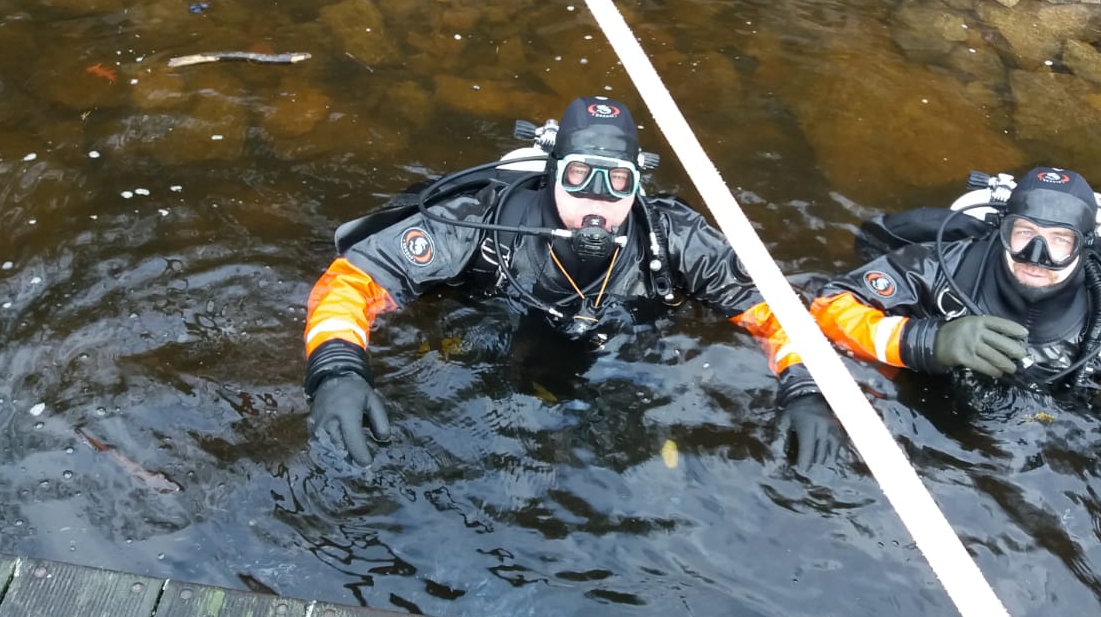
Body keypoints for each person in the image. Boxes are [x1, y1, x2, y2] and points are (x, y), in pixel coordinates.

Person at [303, 96, 839, 474]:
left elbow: (772, 308)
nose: (597, 201)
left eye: (618, 181)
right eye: (580, 177)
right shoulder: (482, 221)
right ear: (552, 172)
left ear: (637, 184)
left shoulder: (672, 237)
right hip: (491, 333)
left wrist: (807, 387)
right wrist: (337, 371)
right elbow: (354, 280)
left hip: (620, 356)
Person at [809, 167, 1101, 535]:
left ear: (1084, 245)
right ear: (1003, 230)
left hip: (1060, 433)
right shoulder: (943, 268)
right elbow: (829, 307)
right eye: (1024, 234)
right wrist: (926, 341)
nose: (1036, 256)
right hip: (929, 412)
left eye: (1059, 241)